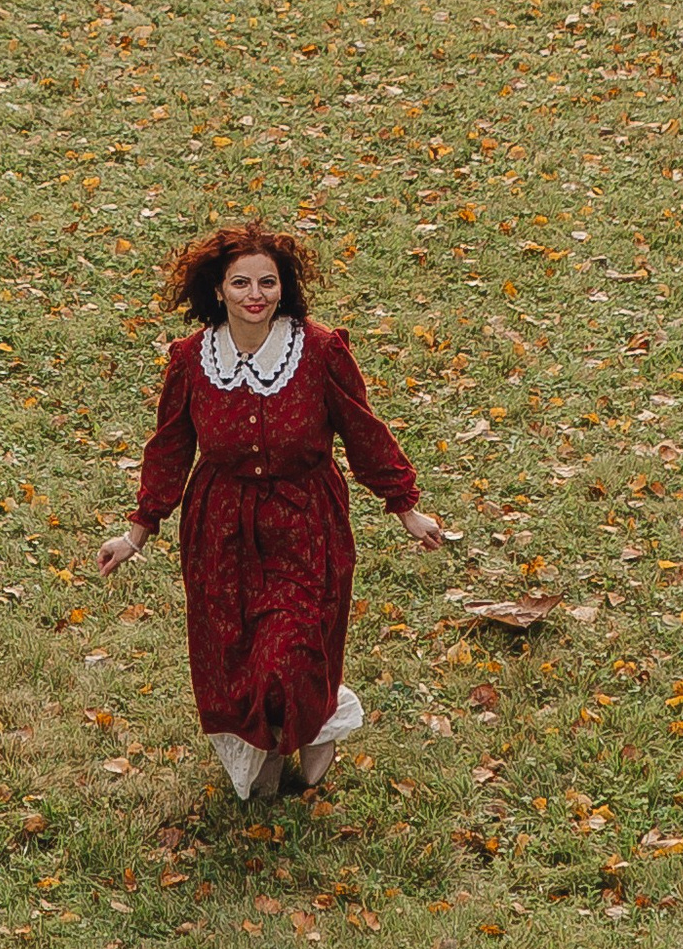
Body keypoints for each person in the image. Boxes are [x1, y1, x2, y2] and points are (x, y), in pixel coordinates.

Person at [98, 221, 443, 804]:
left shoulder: (321, 350)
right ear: (218, 290)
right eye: (241, 283)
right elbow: (170, 448)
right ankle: (267, 749)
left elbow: (362, 431)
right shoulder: (190, 359)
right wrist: (137, 533)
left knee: (291, 651)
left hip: (306, 523)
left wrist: (405, 506)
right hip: (220, 530)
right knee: (237, 659)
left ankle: (316, 725)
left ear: (284, 288)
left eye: (267, 282)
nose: (255, 294)